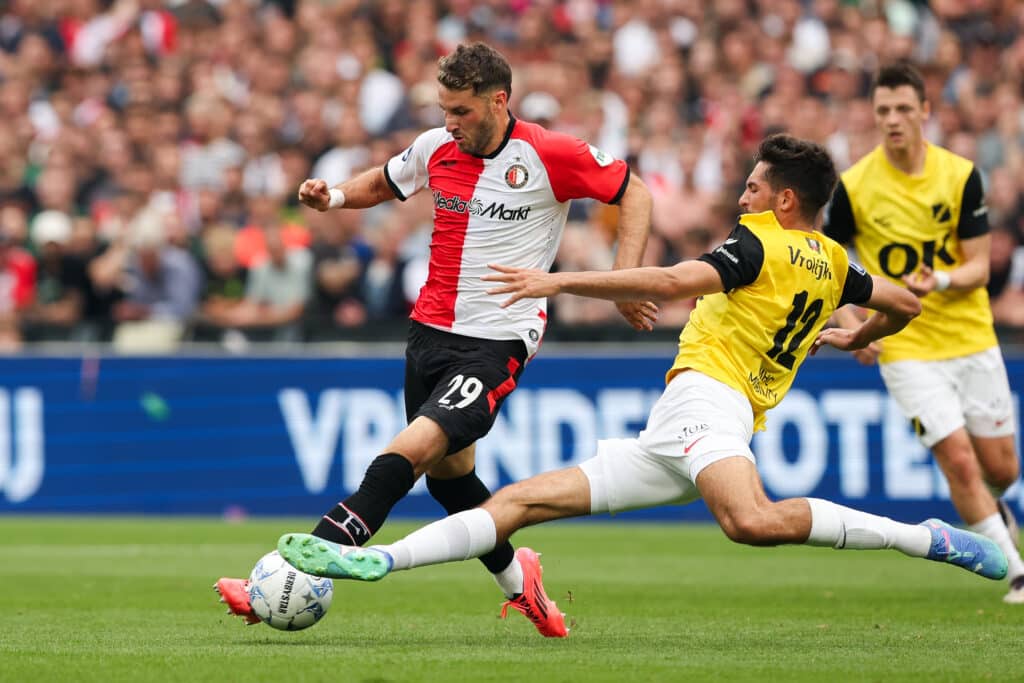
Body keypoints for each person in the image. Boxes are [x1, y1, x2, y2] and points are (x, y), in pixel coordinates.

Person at [275, 135, 1007, 635]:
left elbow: (667, 279)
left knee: (749, 520)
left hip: (711, 402)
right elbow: (906, 303)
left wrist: (559, 278)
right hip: (684, 423)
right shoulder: (834, 261)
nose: (743, 192)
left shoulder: (758, 241)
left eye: (755, 185)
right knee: (520, 501)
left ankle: (924, 538)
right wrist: (857, 334)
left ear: (785, 200)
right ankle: (377, 559)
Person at [215, 42, 654, 635]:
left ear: (499, 102)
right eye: (444, 109)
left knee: (410, 451)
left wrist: (623, 281)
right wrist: (336, 197)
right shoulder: (436, 146)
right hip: (428, 334)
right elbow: (388, 182)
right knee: (453, 484)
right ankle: (522, 583)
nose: (450, 123)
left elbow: (634, 191)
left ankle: (290, 570)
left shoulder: (549, 152)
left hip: (496, 341)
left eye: (462, 112)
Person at [822, 62, 1024, 604]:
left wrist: (942, 279)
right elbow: (829, 266)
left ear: (925, 112)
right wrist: (853, 324)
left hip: (970, 336)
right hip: (904, 343)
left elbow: (980, 267)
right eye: (883, 110)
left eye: (904, 109)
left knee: (1001, 467)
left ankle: (996, 508)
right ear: (874, 114)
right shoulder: (856, 185)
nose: (893, 120)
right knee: (957, 458)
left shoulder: (959, 175)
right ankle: (1018, 572)